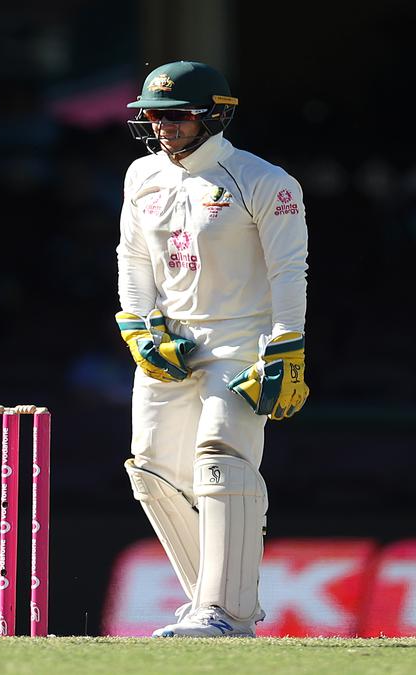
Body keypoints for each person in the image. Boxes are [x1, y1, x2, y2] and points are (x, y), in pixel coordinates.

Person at [115, 60, 309, 638]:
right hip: (171, 341)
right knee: (152, 470)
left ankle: (221, 613)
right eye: (153, 115)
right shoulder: (141, 176)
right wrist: (138, 325)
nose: (163, 126)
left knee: (220, 457)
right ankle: (222, 600)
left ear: (215, 115)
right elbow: (132, 257)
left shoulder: (264, 181)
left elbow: (289, 269)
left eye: (177, 116)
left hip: (242, 341)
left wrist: (287, 346)